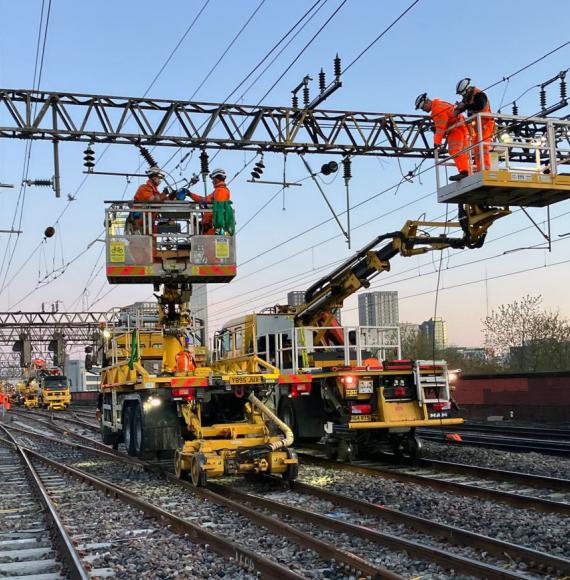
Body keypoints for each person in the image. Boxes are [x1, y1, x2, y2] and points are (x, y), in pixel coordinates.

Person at [415, 93, 470, 181]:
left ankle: (464, 172)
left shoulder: (437, 109)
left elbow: (440, 128)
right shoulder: (440, 104)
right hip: (460, 127)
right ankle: (466, 172)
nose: (423, 110)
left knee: (454, 150)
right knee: (463, 152)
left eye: (423, 108)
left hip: (456, 129)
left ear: (426, 103)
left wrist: (437, 142)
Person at [454, 78, 494, 171]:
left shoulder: (479, 95)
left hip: (486, 124)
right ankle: (481, 169)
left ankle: (486, 170)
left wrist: (465, 106)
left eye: (463, 93)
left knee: (483, 148)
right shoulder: (468, 97)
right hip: (478, 126)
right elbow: (463, 107)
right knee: (477, 149)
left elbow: (479, 106)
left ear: (468, 89)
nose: (462, 96)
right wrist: (458, 110)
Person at [188, 168, 235, 235]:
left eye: (213, 179)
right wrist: (190, 194)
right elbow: (203, 200)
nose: (212, 181)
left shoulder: (221, 191)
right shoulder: (217, 191)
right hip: (212, 227)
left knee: (209, 242)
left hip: (217, 227)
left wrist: (206, 222)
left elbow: (219, 211)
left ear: (217, 179)